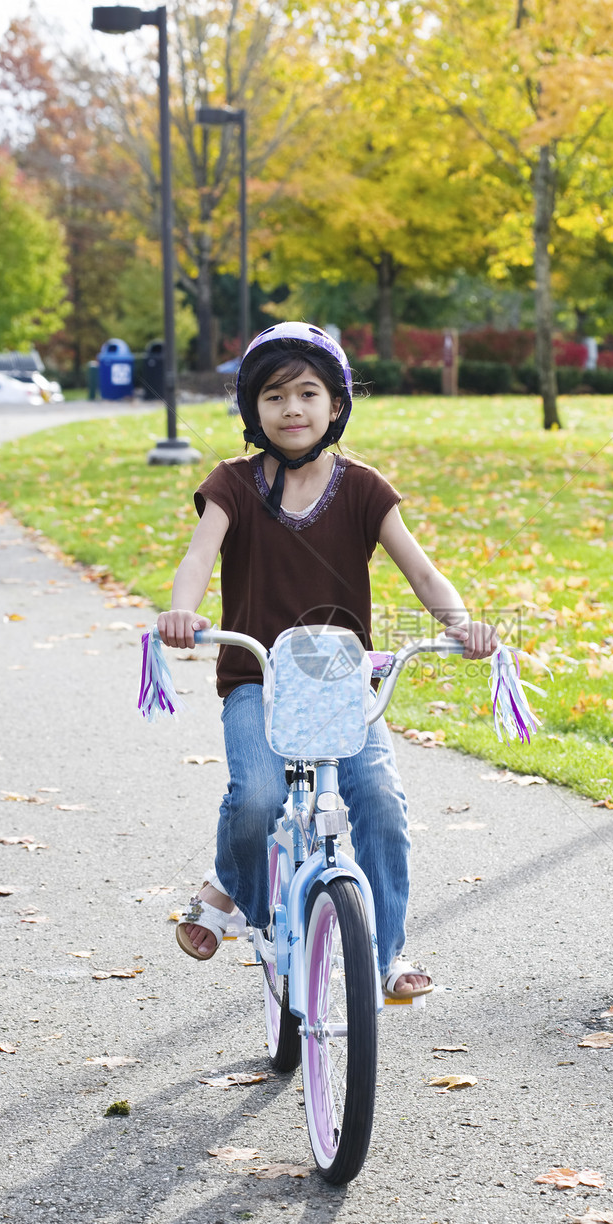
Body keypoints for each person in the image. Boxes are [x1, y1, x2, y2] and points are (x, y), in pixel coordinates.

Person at [157, 322, 497, 998]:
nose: (292, 410)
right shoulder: (231, 484)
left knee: (380, 800)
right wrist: (182, 612)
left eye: (308, 394)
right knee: (256, 797)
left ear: (335, 405)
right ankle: (238, 894)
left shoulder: (364, 488)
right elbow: (199, 557)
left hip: (343, 685)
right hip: (259, 679)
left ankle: (387, 954)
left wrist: (463, 625)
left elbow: (424, 575)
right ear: (253, 411)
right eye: (275, 397)